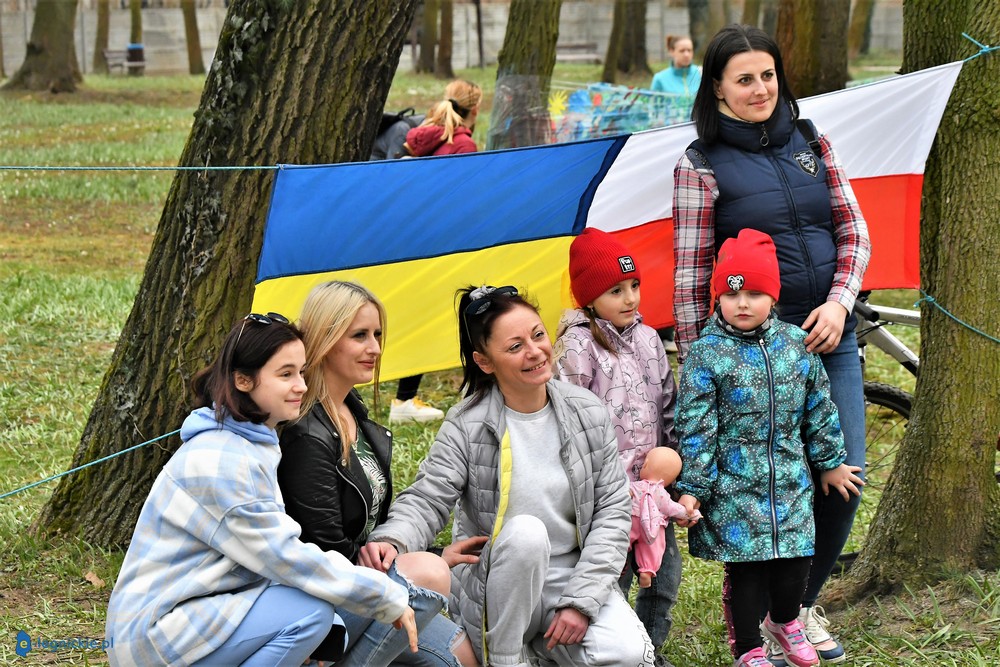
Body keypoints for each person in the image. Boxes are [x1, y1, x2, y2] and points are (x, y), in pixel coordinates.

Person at [672, 23, 872, 664]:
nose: (760, 89)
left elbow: (854, 231)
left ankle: (798, 613)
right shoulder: (698, 165)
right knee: (756, 485)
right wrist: (698, 360)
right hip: (747, 352)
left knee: (841, 476)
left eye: (767, 74)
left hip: (827, 336)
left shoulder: (814, 141)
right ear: (718, 88)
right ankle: (753, 628)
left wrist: (840, 304)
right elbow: (689, 273)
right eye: (744, 79)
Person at [361, 285, 654, 667]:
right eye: (514, 347)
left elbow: (613, 512)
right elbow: (428, 497)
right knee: (527, 534)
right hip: (499, 582)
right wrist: (394, 539)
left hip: (568, 579)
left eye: (537, 335)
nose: (534, 352)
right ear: (485, 361)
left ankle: (539, 652)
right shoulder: (468, 423)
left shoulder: (587, 410)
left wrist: (582, 601)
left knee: (626, 653)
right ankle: (505, 659)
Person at [105, 312, 417, 667]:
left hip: (186, 617)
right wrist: (381, 595)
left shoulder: (249, 443)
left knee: (324, 621)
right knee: (310, 614)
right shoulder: (223, 460)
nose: (301, 385)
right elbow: (285, 557)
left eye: (300, 371)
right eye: (285, 374)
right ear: (243, 381)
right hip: (154, 637)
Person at [674, 229, 863, 667]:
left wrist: (830, 462)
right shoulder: (707, 354)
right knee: (748, 571)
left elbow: (819, 406)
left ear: (773, 298)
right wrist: (695, 487)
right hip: (735, 486)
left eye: (755, 293)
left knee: (796, 560)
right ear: (718, 297)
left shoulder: (796, 345)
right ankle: (748, 651)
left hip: (790, 478)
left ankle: (784, 622)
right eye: (732, 292)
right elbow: (696, 427)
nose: (743, 303)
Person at [277, 281, 478, 667]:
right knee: (428, 577)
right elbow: (327, 553)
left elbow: (371, 531)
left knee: (462, 658)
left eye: (377, 335)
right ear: (325, 338)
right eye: (360, 336)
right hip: (320, 601)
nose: (375, 348)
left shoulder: (355, 414)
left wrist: (434, 554)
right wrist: (419, 568)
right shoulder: (306, 434)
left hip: (360, 579)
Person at [553, 228, 682, 666]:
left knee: (664, 577)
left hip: (652, 491)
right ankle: (621, 650)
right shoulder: (577, 346)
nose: (630, 298)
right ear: (588, 297)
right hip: (608, 496)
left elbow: (667, 404)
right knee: (616, 577)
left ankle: (653, 650)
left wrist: (671, 470)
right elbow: (568, 420)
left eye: (634, 286)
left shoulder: (649, 340)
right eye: (615, 290)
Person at [390, 79, 484, 424]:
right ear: (475, 110)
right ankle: (475, 390)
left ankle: (404, 398)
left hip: (414, 237)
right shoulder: (463, 144)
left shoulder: (426, 136)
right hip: (449, 240)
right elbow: (463, 198)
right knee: (472, 305)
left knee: (425, 311)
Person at [629, 448, 697, 590]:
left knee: (621, 540)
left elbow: (625, 493)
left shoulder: (635, 486)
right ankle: (647, 571)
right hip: (652, 527)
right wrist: (689, 513)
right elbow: (674, 509)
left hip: (632, 520)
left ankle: (619, 560)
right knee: (654, 548)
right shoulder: (662, 495)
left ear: (645, 464)